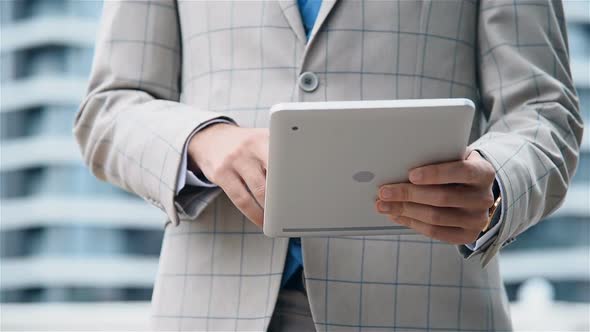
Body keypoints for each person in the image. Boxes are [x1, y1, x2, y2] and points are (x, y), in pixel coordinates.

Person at [74, 0, 583, 331]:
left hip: (425, 308)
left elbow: (544, 111)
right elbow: (108, 108)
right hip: (211, 307)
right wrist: (204, 140)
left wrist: (495, 182)